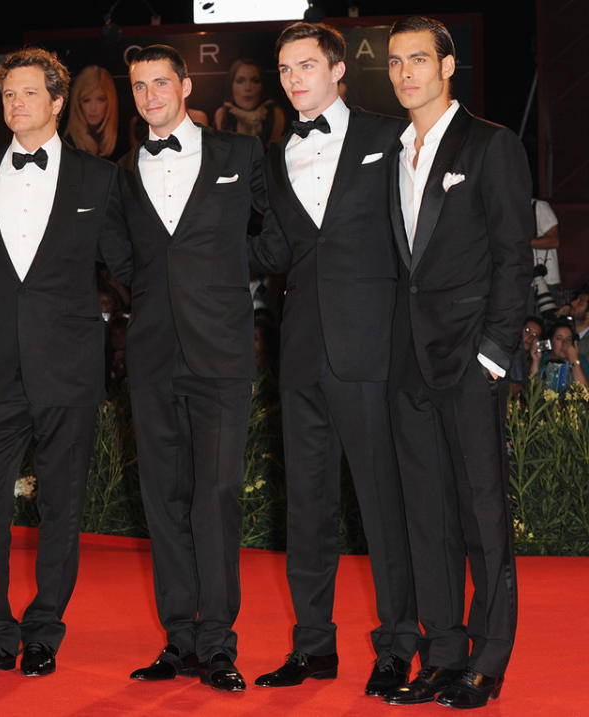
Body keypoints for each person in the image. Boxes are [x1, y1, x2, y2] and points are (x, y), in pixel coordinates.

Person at [248, 22, 419, 697]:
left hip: (373, 350)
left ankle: (397, 643)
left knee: (382, 505)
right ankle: (314, 647)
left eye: (307, 66)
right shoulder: (272, 156)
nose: (293, 80)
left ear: (338, 68)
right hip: (300, 355)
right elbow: (272, 252)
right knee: (308, 511)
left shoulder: (387, 137)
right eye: (285, 69)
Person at [0, 47, 130, 679]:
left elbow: (129, 266)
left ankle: (45, 629)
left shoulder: (99, 177)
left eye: (29, 94)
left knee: (62, 504)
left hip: (69, 369)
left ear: (58, 103)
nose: (16, 105)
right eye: (8, 96)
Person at [383, 17, 532, 709]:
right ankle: (443, 652)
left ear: (448, 66)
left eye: (419, 58)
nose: (406, 71)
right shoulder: (394, 150)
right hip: (408, 364)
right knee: (427, 517)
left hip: (471, 359)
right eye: (395, 61)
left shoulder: (491, 144)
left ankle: (488, 658)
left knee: (481, 515)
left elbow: (512, 256)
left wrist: (495, 354)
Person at [117, 44, 267, 693]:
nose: (150, 94)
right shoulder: (119, 172)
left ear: (184, 85)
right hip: (151, 356)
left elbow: (282, 230)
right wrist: (152, 298)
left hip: (222, 354)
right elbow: (118, 256)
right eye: (139, 85)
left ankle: (219, 641)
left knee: (217, 495)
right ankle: (179, 639)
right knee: (164, 499)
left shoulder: (239, 155)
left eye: (160, 82)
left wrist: (229, 280)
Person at [213, 59, 286, 146]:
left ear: (262, 85)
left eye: (255, 81)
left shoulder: (274, 113)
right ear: (231, 85)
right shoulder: (223, 114)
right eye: (240, 81)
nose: (248, 88)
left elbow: (273, 154)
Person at [63, 65, 123, 161]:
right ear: (78, 103)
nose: (93, 108)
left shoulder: (120, 142)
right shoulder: (69, 147)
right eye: (86, 100)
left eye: (100, 99)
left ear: (110, 101)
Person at [533, 320, 589, 392]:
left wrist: (574, 360)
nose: (564, 343)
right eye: (559, 338)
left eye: (568, 339)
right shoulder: (542, 358)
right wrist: (535, 361)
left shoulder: (580, 359)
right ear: (551, 342)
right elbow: (532, 391)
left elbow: (585, 392)